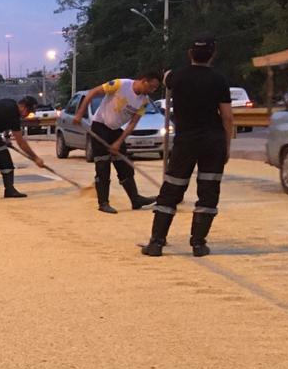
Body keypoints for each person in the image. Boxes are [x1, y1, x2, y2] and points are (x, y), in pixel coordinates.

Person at [142, 36, 234, 257]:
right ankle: (199, 243)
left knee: (172, 189)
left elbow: (166, 78)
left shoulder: (176, 77)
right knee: (208, 190)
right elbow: (227, 117)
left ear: (190, 54)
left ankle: (156, 243)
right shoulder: (219, 80)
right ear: (213, 55)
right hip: (213, 142)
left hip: (186, 141)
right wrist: (227, 145)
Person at [72, 72, 161, 214]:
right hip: (100, 126)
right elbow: (93, 92)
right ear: (144, 81)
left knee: (124, 165)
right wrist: (79, 113)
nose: (152, 91)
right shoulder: (120, 84)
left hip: (116, 130)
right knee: (102, 165)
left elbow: (132, 124)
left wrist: (119, 142)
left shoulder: (144, 101)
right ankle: (103, 203)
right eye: (151, 87)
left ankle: (135, 199)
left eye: (155, 89)